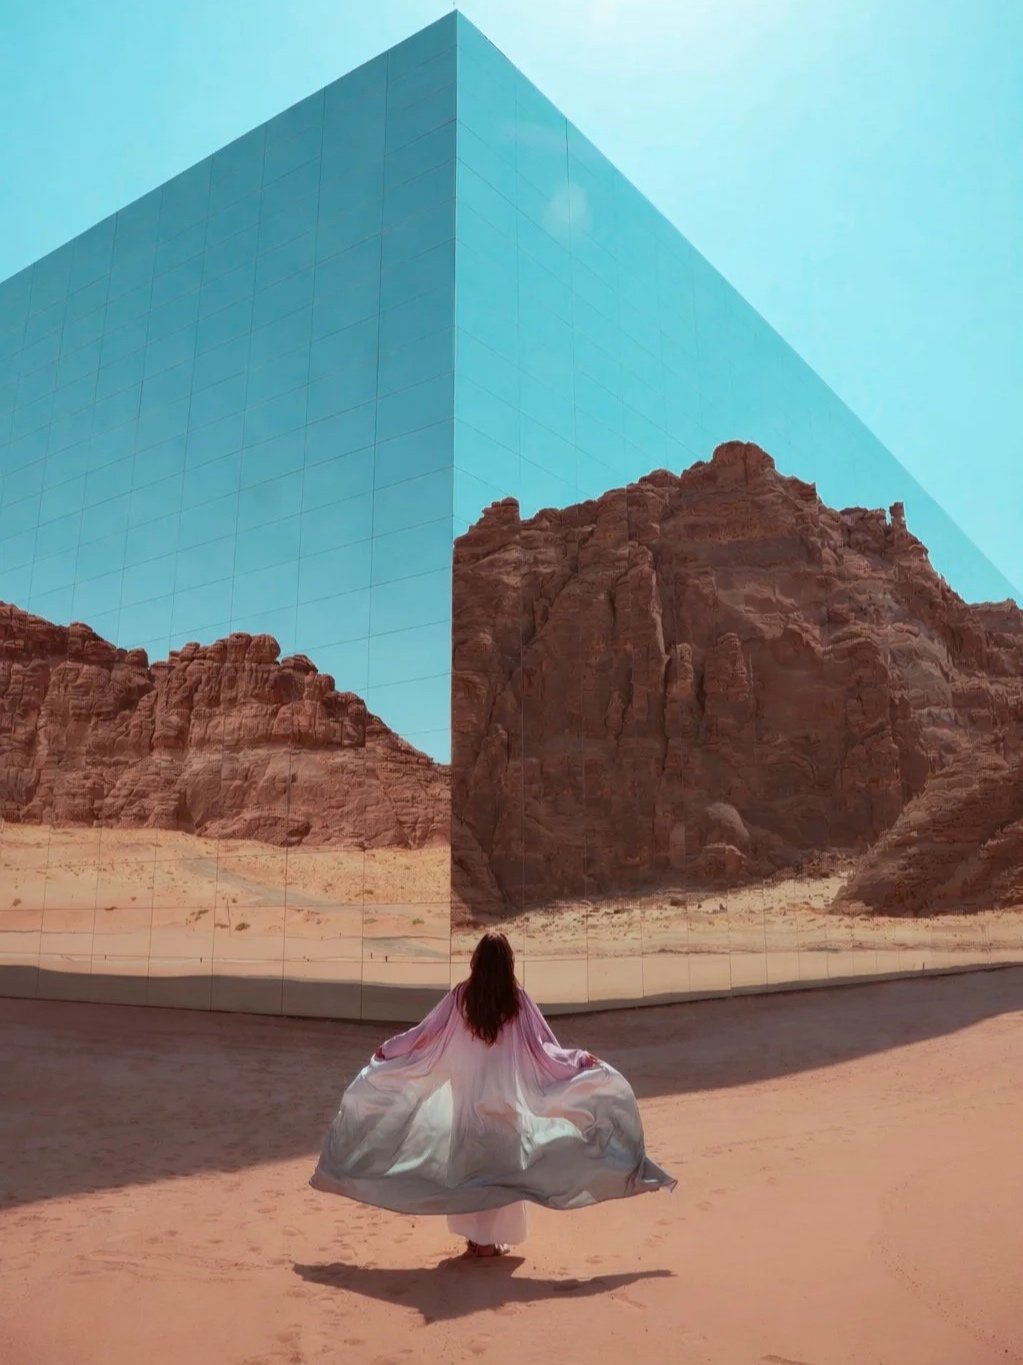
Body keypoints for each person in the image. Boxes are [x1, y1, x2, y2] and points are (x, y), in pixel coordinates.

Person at [310, 931, 676, 1257]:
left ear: (477, 962)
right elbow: (546, 1049)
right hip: (504, 1103)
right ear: (507, 964)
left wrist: (389, 1050)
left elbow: (423, 1035)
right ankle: (488, 1242)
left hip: (467, 1104)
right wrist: (579, 1061)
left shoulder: (460, 998)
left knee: (472, 1174)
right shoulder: (516, 1001)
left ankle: (476, 1239)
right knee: (503, 1175)